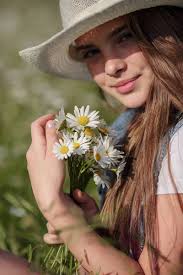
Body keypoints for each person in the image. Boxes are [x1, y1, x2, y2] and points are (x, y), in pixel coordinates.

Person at [19, 1, 183, 274]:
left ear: (166, 26)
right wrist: (92, 232)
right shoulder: (127, 132)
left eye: (125, 36)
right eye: (91, 52)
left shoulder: (179, 144)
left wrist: (57, 209)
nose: (111, 67)